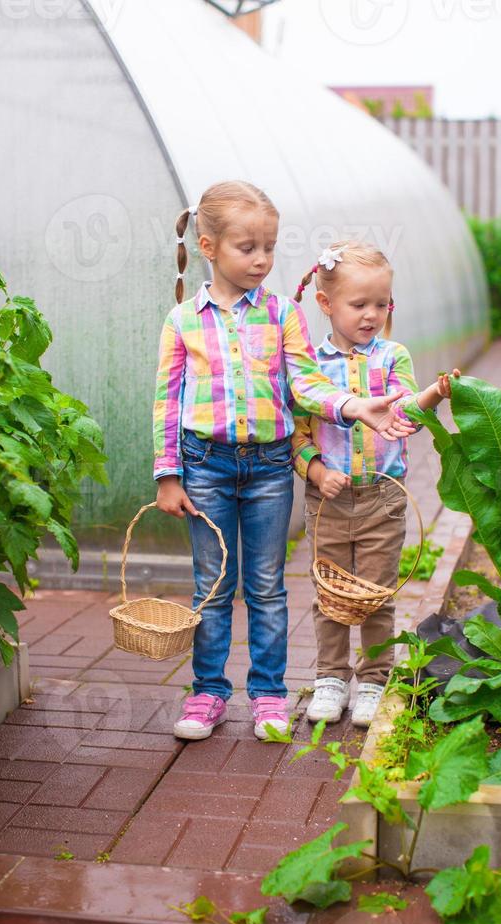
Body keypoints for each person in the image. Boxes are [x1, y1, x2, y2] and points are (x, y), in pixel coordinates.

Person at [153, 182, 417, 742]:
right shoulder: (183, 320)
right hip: (205, 466)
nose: (262, 260)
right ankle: (207, 693)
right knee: (214, 584)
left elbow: (304, 383)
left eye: (269, 247)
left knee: (268, 585)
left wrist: (351, 406)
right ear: (208, 245)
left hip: (272, 467)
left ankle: (270, 696)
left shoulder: (282, 314)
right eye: (247, 247)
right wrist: (168, 475)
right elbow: (167, 401)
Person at [292, 241, 459, 727]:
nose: (371, 315)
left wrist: (431, 394)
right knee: (331, 591)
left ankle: (373, 677)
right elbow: (298, 435)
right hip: (328, 500)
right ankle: (330, 676)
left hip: (383, 497)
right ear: (326, 304)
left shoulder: (392, 355)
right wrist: (317, 471)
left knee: (375, 591)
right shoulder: (310, 367)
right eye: (358, 305)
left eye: (381, 304)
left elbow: (404, 407)